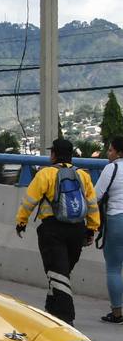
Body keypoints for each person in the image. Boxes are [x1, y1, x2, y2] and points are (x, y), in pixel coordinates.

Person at [15, 138, 100, 323]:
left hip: (52, 230)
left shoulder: (46, 174)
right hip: (77, 230)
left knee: (58, 275)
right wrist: (91, 228)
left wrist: (21, 221)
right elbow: (92, 204)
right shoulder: (83, 175)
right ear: (71, 156)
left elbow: (29, 200)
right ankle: (51, 309)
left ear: (53, 154)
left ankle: (65, 318)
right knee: (61, 273)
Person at [97, 136, 123, 323]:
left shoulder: (111, 168)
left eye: (110, 150)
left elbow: (96, 195)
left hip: (117, 220)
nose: (108, 153)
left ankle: (117, 313)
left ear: (118, 152)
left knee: (114, 268)